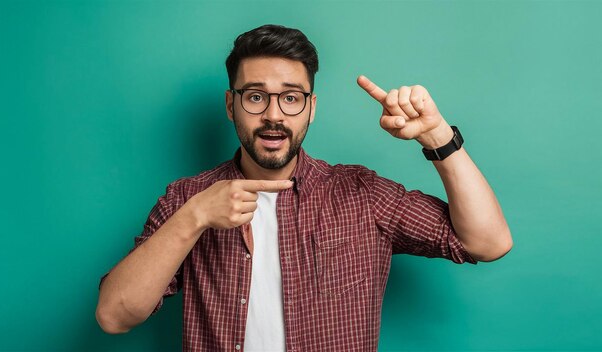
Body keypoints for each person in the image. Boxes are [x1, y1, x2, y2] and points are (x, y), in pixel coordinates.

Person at [96, 24, 512, 351]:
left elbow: (488, 242)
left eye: (291, 98)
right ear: (231, 105)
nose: (274, 115)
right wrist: (195, 218)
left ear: (311, 108)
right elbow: (115, 316)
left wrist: (438, 136)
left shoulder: (362, 194)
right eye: (255, 97)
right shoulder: (187, 200)